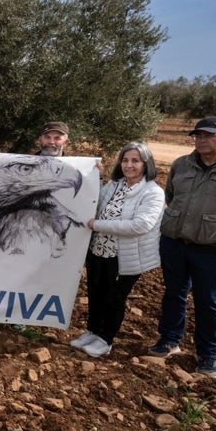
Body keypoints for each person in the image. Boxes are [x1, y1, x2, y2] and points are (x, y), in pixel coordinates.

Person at [69, 142, 163, 358]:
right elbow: (95, 201)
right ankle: (92, 331)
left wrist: (98, 224)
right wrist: (95, 178)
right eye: (125, 160)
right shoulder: (114, 185)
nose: (129, 165)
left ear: (146, 164)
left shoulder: (152, 192)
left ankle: (105, 339)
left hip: (125, 257)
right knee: (95, 292)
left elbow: (141, 225)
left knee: (114, 298)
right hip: (98, 250)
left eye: (135, 161)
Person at [152, 116, 216, 377]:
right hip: (174, 243)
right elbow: (170, 196)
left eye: (208, 135)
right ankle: (169, 340)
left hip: (211, 249)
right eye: (198, 135)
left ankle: (208, 354)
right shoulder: (181, 164)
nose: (201, 139)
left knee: (209, 302)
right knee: (174, 294)